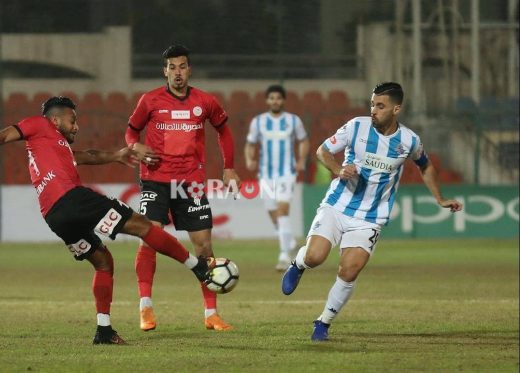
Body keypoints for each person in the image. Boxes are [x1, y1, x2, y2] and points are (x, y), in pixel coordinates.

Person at [0, 96, 210, 345]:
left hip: (55, 217)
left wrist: (117, 155)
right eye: (72, 120)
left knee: (103, 262)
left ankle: (104, 329)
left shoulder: (54, 145)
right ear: (54, 120)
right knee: (143, 226)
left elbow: (87, 155)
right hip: (72, 199)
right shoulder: (39, 125)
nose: (77, 125)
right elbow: (4, 134)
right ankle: (195, 266)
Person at [281, 82, 463, 341]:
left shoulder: (409, 140)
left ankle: (323, 322)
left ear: (396, 109)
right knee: (315, 258)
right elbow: (322, 151)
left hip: (371, 217)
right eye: (372, 104)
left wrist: (440, 198)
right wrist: (338, 169)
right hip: (338, 205)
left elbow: (426, 166)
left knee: (350, 270)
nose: (373, 110)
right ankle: (299, 263)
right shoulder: (357, 126)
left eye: (380, 106)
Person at [125, 45, 241, 331]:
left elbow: (224, 130)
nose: (177, 72)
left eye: (182, 66)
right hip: (155, 179)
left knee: (204, 245)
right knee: (149, 237)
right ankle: (145, 308)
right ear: (164, 71)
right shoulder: (150, 100)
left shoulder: (206, 101)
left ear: (190, 70)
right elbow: (132, 130)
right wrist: (133, 145)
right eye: (172, 67)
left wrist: (229, 167)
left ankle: (211, 314)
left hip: (191, 183)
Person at [244, 85, 310, 271]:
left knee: (282, 211)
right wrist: (250, 158)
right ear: (267, 100)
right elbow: (250, 143)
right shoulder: (258, 122)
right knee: (273, 214)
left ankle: (284, 255)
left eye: (278, 98)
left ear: (283, 100)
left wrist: (301, 160)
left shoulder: (293, 121)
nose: (275, 101)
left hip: (286, 173)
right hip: (266, 174)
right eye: (272, 98)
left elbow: (304, 140)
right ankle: (289, 243)